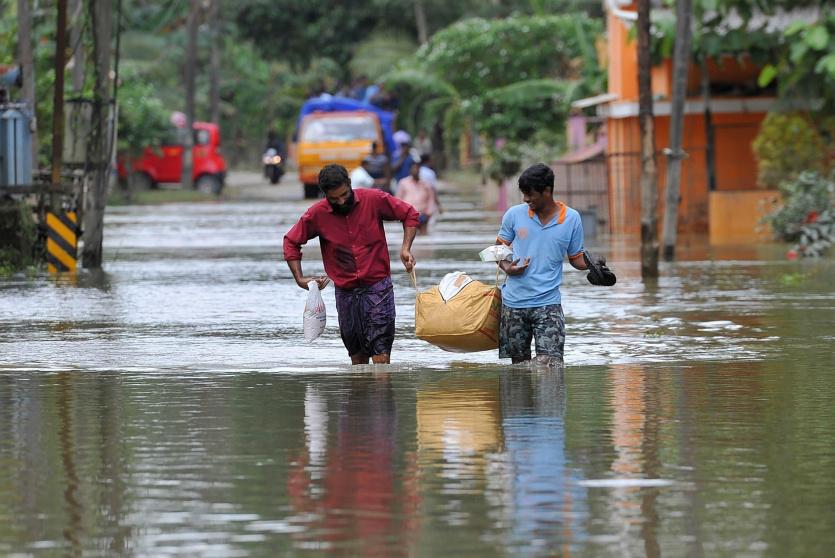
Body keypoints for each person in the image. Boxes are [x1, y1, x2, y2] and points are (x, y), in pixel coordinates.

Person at [283, 164, 419, 365]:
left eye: (344, 195)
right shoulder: (317, 214)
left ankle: (381, 393)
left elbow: (410, 214)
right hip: (346, 294)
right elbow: (291, 241)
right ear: (325, 195)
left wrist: (405, 248)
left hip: (378, 289)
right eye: (334, 199)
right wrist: (300, 279)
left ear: (349, 184)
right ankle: (358, 394)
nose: (341, 201)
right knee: (357, 358)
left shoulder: (374, 200)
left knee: (381, 355)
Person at [494, 163, 589, 364]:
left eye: (530, 194)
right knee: (519, 370)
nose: (526, 199)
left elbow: (576, 259)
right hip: (513, 305)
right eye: (524, 194)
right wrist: (507, 267)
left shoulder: (572, 219)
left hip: (548, 304)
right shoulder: (514, 214)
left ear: (547, 191)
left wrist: (592, 264)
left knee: (550, 365)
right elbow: (497, 249)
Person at [396, 160, 436, 235]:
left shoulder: (426, 184)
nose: (415, 170)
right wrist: (400, 214)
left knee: (424, 235)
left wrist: (429, 213)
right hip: (408, 215)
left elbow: (431, 199)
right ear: (410, 170)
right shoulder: (403, 183)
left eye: (417, 168)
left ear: (419, 170)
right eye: (413, 168)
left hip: (423, 214)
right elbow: (398, 199)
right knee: (408, 236)